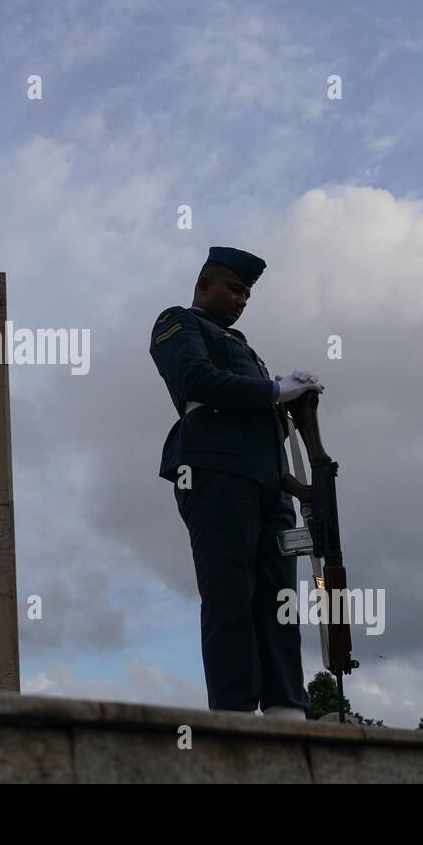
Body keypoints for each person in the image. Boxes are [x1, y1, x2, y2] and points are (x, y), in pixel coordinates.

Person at [149, 246, 324, 718]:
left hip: (268, 484)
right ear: (204, 284)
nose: (242, 299)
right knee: (231, 592)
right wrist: (274, 390)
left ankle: (288, 705)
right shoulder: (179, 323)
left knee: (280, 596)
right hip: (215, 472)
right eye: (235, 288)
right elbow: (196, 380)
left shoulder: (246, 347)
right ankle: (236, 711)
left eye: (247, 293)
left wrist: (296, 477)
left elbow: (260, 430)